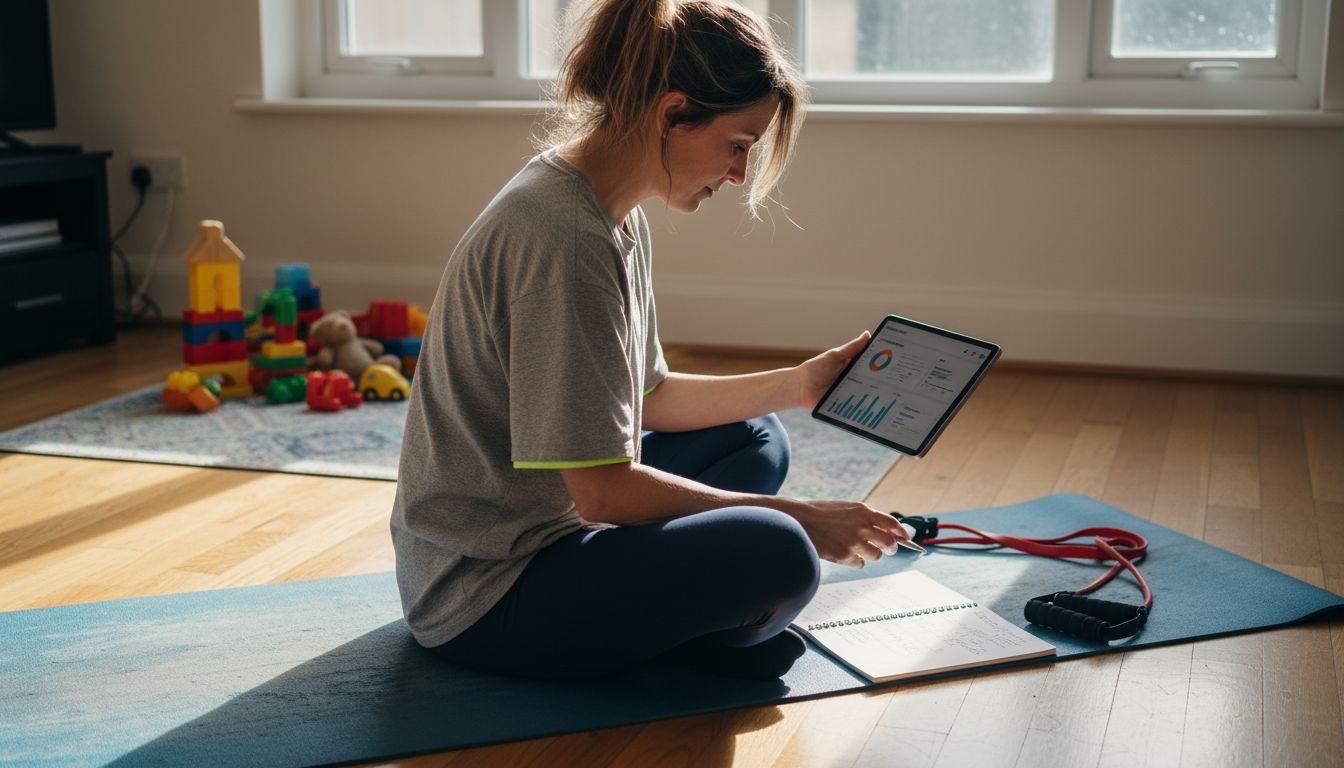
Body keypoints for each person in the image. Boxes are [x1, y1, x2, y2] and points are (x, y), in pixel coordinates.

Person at [391, 0, 911, 681]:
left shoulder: (609, 210)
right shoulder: (563, 238)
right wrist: (802, 517)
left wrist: (801, 383)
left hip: (563, 529)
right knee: (779, 550)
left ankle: (701, 625)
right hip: (487, 591)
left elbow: (650, 397)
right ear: (672, 114)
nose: (738, 174)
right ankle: (702, 632)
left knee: (755, 439)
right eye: (737, 144)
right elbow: (604, 493)